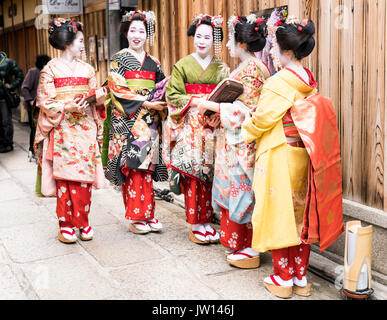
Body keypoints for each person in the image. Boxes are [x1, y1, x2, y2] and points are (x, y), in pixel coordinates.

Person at [242, 17, 343, 298]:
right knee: (301, 217)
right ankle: (300, 276)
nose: (271, 52)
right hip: (303, 153)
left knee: (278, 214)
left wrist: (246, 126)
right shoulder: (308, 81)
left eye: (274, 47)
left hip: (280, 154)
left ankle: (282, 277)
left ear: (288, 51)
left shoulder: (278, 82)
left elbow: (262, 119)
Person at [198, 14, 270, 268]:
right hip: (231, 139)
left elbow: (249, 109)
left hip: (242, 142)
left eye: (230, 39)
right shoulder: (249, 67)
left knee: (242, 191)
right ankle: (237, 243)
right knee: (233, 190)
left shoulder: (253, 70)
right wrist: (218, 112)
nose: (227, 45)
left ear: (242, 43)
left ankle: (247, 247)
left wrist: (212, 106)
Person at [34, 18, 107, 244]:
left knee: (84, 178)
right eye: (80, 41)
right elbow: (44, 100)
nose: (83, 45)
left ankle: (83, 221)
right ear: (67, 42)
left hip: (84, 127)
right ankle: (65, 223)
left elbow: (94, 94)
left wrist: (100, 98)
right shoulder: (50, 69)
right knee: (65, 179)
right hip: (63, 128)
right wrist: (67, 106)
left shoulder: (87, 69)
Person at [164, 14, 227, 245]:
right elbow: (172, 95)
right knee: (193, 175)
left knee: (210, 176)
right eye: (198, 36)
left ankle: (207, 222)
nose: (202, 41)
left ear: (215, 40)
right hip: (190, 125)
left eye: (207, 37)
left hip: (213, 126)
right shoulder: (182, 65)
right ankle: (195, 224)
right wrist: (197, 101)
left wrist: (216, 108)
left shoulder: (221, 67)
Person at [104, 10, 168, 234]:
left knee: (147, 169)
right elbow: (117, 89)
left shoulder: (154, 62)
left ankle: (148, 214)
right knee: (133, 168)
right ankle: (135, 217)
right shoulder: (119, 59)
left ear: (147, 33)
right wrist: (146, 102)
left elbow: (161, 89)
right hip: (129, 121)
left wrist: (161, 100)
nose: (137, 35)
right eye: (133, 30)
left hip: (149, 122)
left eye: (142, 30)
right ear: (126, 33)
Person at [21, 54, 52, 161]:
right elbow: (24, 88)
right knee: (34, 129)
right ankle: (32, 150)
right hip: (33, 107)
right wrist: (30, 100)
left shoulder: (49, 73)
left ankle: (42, 150)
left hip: (45, 106)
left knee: (44, 130)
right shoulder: (33, 72)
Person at [0, 51, 24, 153]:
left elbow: (20, 74)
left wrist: (12, 85)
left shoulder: (8, 62)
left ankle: (8, 143)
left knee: (6, 121)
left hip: (3, 97)